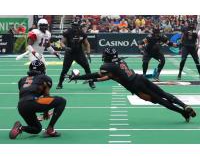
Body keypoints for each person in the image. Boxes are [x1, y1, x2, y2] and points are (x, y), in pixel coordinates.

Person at [69, 47, 197, 122]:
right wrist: (95, 80)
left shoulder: (106, 66)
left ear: (107, 56)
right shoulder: (119, 61)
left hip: (135, 86)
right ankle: (184, 106)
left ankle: (182, 112)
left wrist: (79, 77)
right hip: (140, 78)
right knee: (163, 93)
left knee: (159, 100)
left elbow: (96, 74)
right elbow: (110, 76)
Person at [9, 60, 66, 139]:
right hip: (33, 102)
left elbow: (23, 94)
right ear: (42, 69)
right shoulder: (45, 78)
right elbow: (46, 95)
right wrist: (46, 111)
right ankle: (50, 129)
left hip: (21, 106)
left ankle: (20, 128)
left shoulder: (22, 80)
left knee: (37, 129)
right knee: (61, 101)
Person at [56, 20, 95, 89]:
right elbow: (61, 42)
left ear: (78, 26)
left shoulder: (82, 33)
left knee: (87, 67)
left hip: (79, 53)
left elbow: (87, 44)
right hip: (69, 53)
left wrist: (88, 53)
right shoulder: (67, 32)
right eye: (73, 26)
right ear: (71, 26)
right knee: (65, 70)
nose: (74, 28)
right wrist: (65, 48)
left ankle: (91, 82)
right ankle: (60, 84)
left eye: (76, 26)